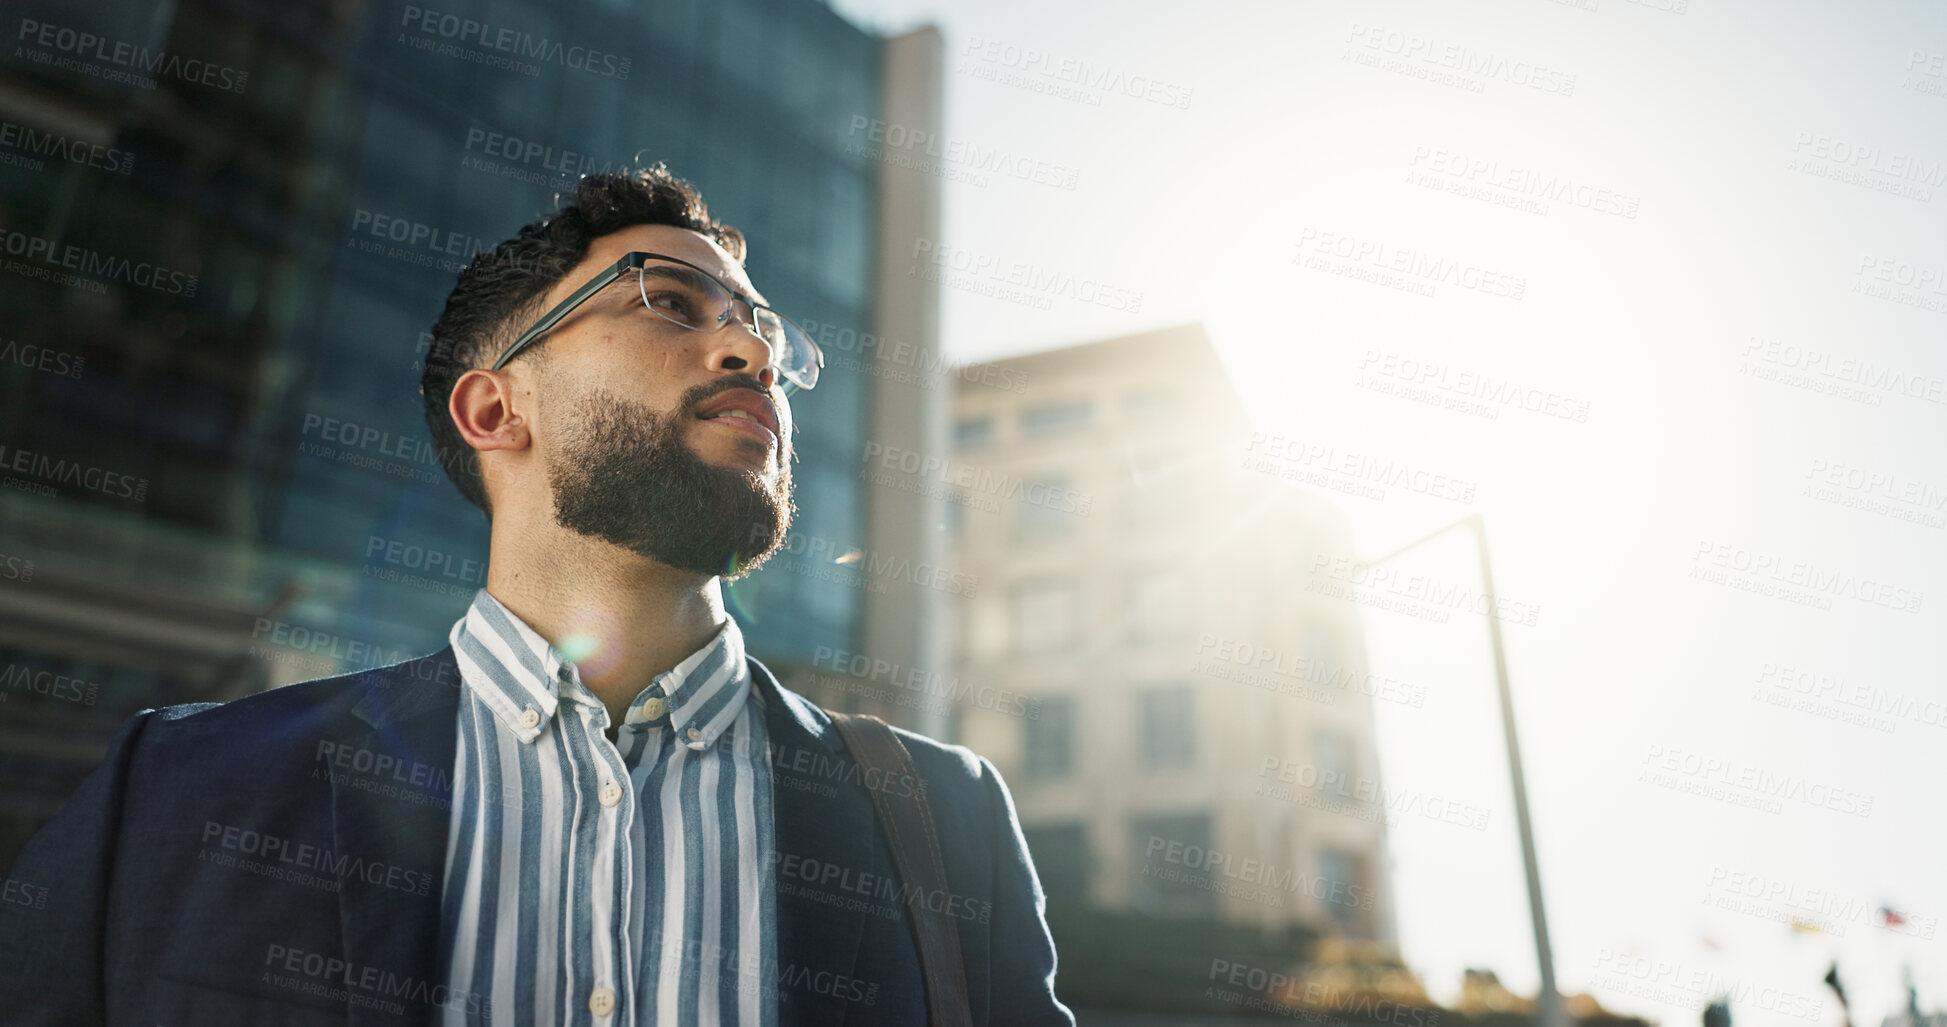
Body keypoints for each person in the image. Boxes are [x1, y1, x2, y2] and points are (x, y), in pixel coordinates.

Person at [0, 165, 1072, 1025]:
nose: (754, 353)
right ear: (493, 408)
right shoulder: (180, 788)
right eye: (669, 301)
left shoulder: (945, 818)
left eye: (763, 332)